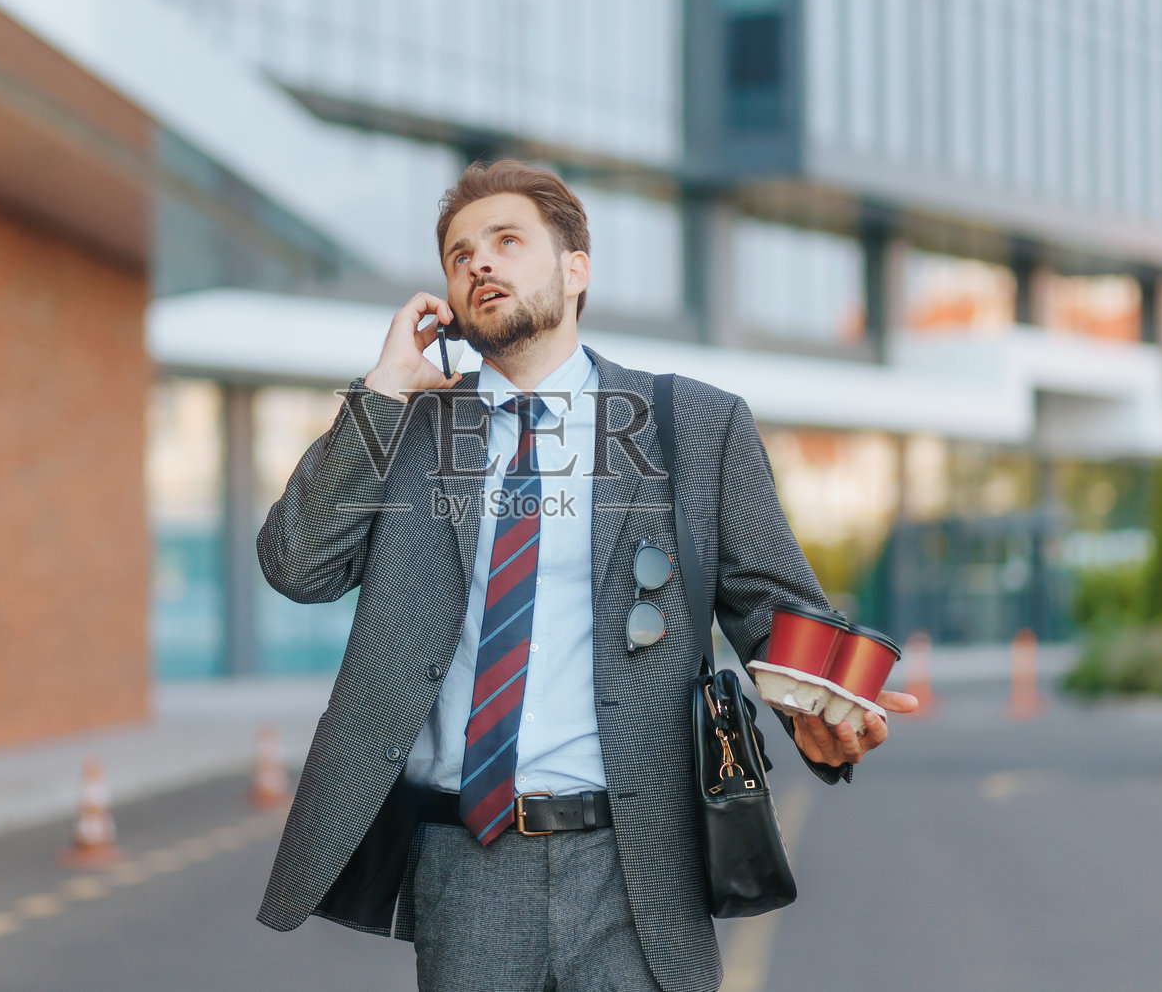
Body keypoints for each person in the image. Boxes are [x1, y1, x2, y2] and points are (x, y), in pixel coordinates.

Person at [255, 160, 917, 992]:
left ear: (576, 268)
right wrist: (384, 389)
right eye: (460, 256)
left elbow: (770, 607)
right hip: (468, 863)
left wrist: (833, 696)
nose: (479, 264)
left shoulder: (692, 424)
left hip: (641, 861)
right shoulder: (409, 432)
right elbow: (296, 564)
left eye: (506, 241)